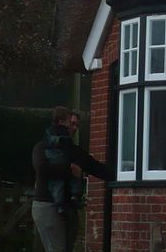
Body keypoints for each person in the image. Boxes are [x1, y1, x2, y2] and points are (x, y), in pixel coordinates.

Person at [32, 106, 114, 252]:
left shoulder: (74, 151)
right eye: (72, 124)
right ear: (60, 122)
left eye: (77, 125)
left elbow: (95, 167)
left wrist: (125, 174)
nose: (75, 128)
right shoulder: (42, 147)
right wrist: (70, 169)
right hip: (47, 204)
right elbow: (42, 169)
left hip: (68, 206)